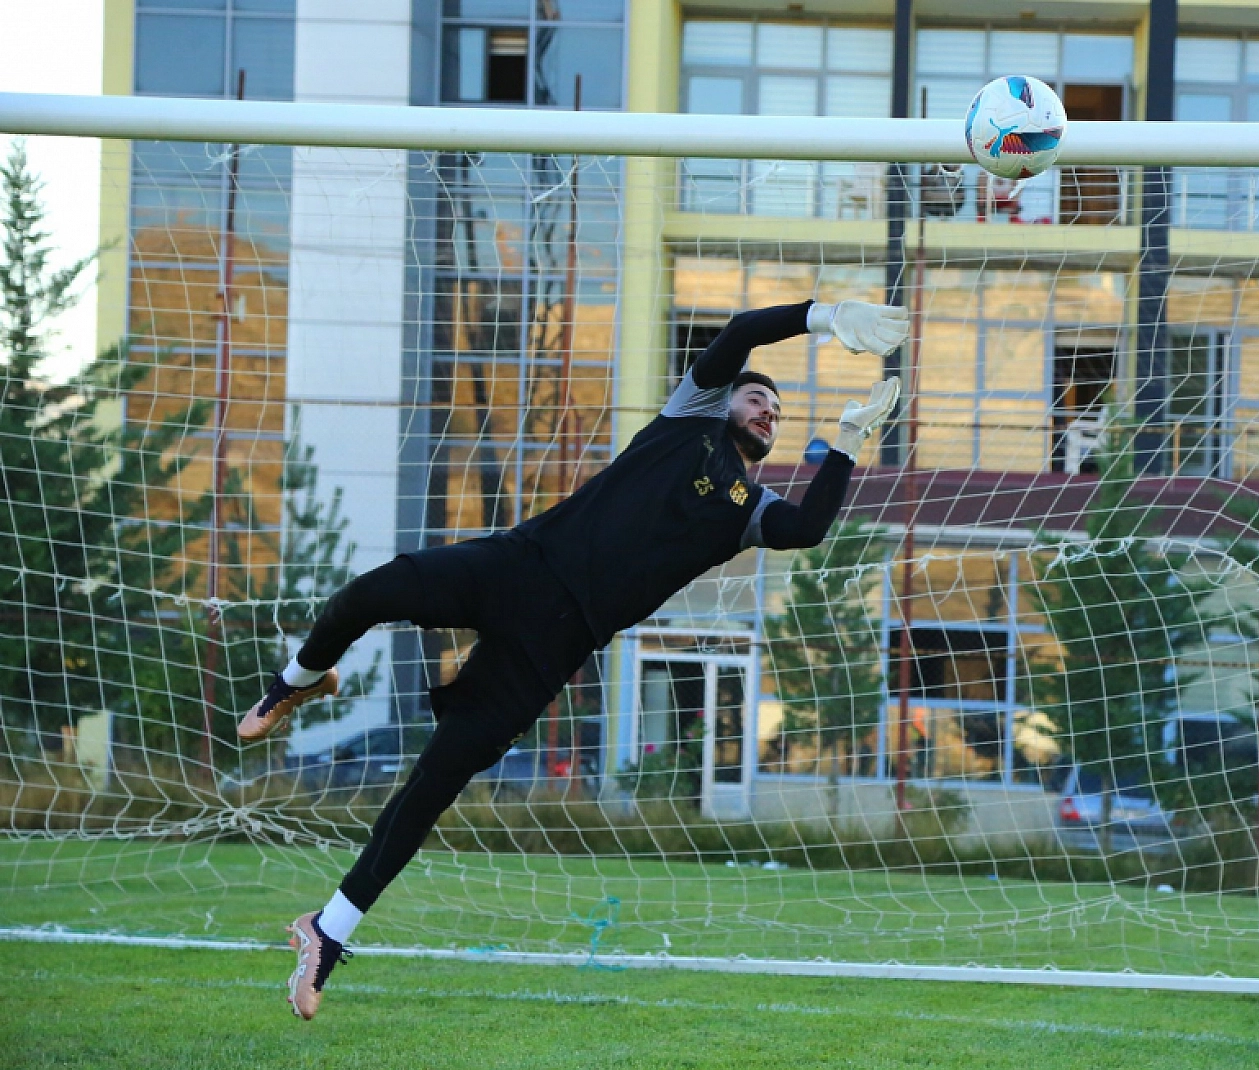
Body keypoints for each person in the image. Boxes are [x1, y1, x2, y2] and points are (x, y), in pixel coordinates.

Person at [237, 299, 908, 1020]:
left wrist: (842, 443)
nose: (768, 411)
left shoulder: (750, 507)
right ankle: (296, 682)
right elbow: (744, 330)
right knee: (370, 593)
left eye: (778, 410)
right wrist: (823, 315)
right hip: (524, 566)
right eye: (757, 397)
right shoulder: (687, 418)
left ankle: (327, 932)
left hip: (557, 644)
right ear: (725, 401)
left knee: (436, 782)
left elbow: (807, 529)